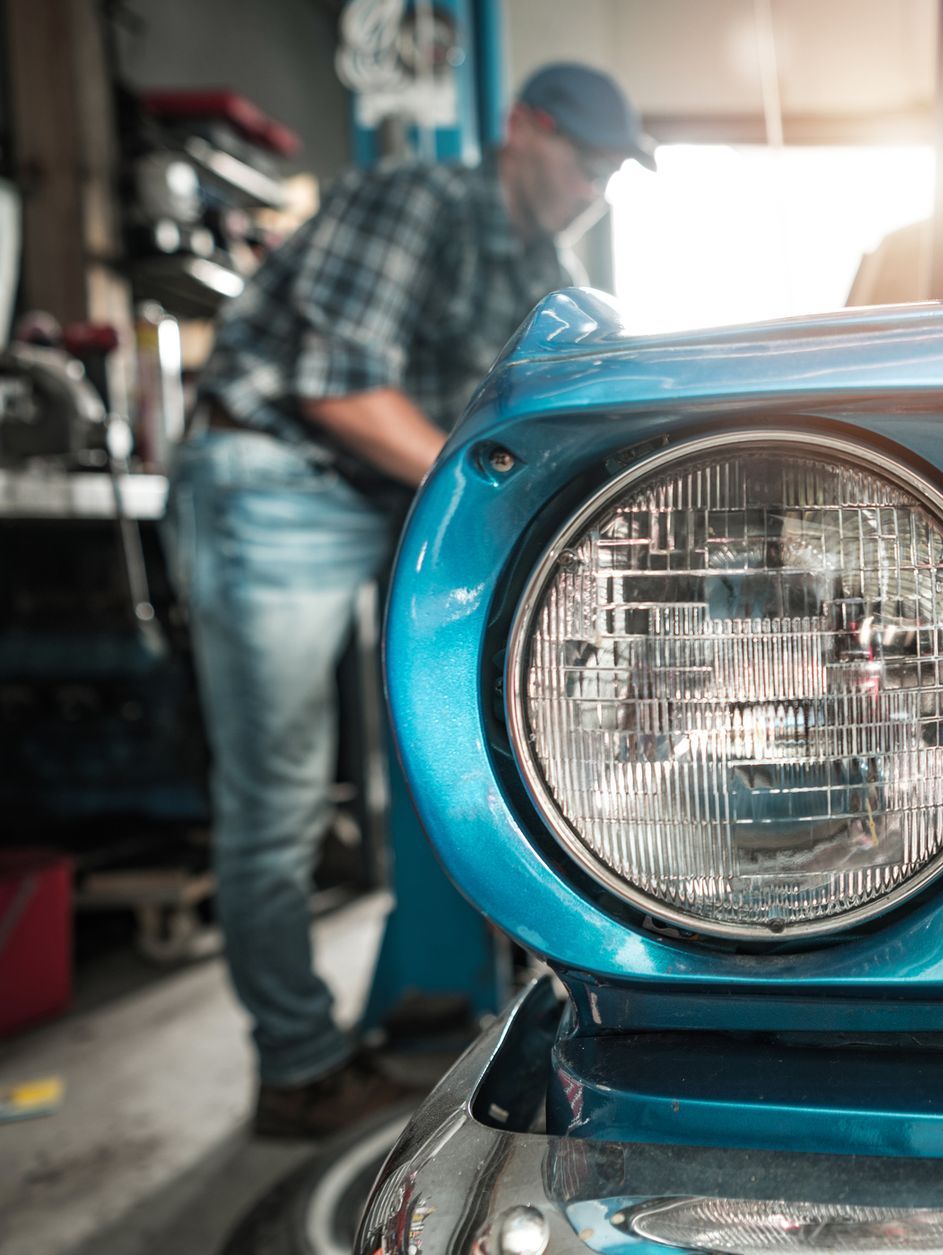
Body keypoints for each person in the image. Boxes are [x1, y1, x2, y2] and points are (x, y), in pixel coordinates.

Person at [166, 63, 649, 1138]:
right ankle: (296, 1067)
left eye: (611, 172)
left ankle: (444, 1002)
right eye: (583, 159)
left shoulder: (544, 268)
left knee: (463, 747)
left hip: (387, 498)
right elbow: (339, 385)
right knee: (282, 791)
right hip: (274, 485)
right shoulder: (417, 199)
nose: (592, 186)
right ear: (522, 129)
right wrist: (484, 498)